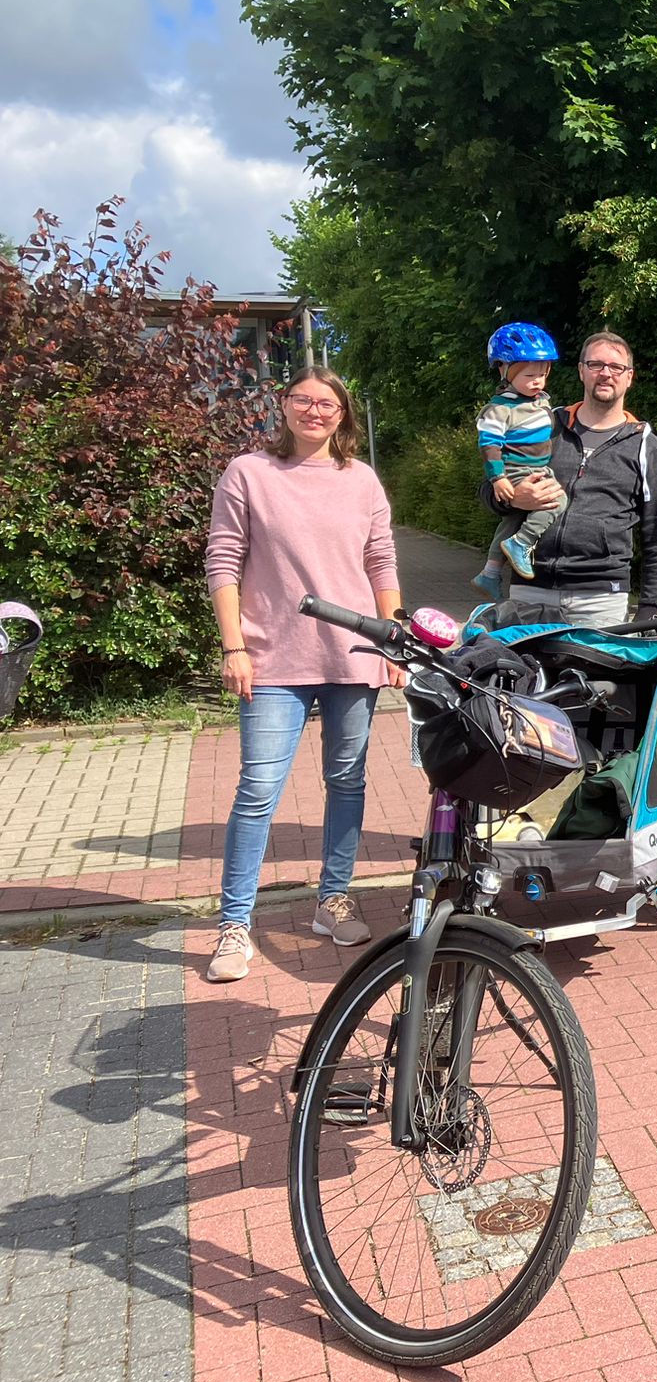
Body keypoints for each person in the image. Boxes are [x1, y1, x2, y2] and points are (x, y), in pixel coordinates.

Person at [203, 367, 402, 983]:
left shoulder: (361, 479)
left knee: (347, 782)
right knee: (258, 790)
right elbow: (223, 560)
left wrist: (394, 639)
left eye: (328, 404)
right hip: (273, 659)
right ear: (284, 406)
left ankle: (332, 899)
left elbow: (381, 561)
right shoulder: (249, 472)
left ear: (343, 416)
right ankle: (234, 924)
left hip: (353, 655)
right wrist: (234, 647)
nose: (314, 411)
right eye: (303, 400)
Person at [484, 330, 657, 627]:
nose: (605, 373)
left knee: (595, 663)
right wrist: (514, 499)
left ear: (629, 377)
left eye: (616, 367)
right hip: (529, 591)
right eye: (596, 364)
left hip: (601, 600)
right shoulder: (545, 424)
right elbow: (488, 489)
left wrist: (650, 609)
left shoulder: (646, 447)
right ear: (581, 371)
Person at [472, 322, 564, 594]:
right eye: (529, 375)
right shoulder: (500, 409)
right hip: (516, 469)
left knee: (512, 519)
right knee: (557, 500)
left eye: (542, 374)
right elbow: (489, 444)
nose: (537, 381)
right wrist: (498, 478)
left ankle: (490, 573)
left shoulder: (539, 401)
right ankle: (522, 542)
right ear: (504, 370)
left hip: (534, 468)